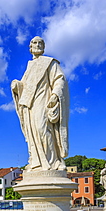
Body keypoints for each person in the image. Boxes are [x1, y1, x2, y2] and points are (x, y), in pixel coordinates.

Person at [11, 36, 69, 171]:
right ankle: (36, 161)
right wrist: (17, 85)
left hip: (43, 100)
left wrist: (55, 94)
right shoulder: (29, 65)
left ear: (44, 46)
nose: (37, 45)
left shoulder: (50, 62)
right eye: (34, 43)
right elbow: (25, 85)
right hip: (28, 103)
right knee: (31, 132)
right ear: (30, 47)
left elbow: (60, 79)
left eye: (40, 43)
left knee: (43, 129)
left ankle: (53, 161)